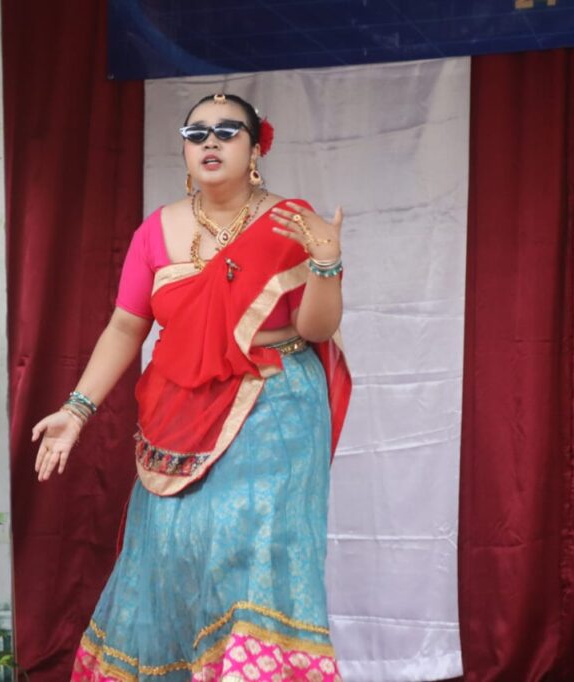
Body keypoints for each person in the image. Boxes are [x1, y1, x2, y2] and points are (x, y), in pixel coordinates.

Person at [33, 92, 351, 681]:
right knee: (173, 557)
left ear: (255, 149)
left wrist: (326, 262)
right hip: (178, 410)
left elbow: (315, 329)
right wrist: (76, 410)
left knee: (251, 553)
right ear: (184, 149)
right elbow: (126, 326)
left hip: (274, 403)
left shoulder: (290, 220)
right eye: (197, 132)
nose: (211, 141)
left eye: (228, 132)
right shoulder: (155, 231)